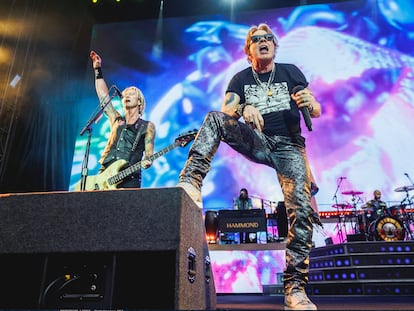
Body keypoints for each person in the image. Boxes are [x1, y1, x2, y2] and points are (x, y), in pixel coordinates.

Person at [177, 23, 321, 310]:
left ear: (274, 46)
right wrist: (244, 109)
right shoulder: (241, 78)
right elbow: (226, 111)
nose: (263, 41)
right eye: (256, 39)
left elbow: (313, 109)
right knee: (215, 119)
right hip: (258, 139)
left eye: (268, 38)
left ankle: (294, 289)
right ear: (249, 50)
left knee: (302, 212)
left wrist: (312, 102)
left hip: (290, 146)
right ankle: (191, 181)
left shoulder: (291, 71)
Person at [89, 50, 155, 189]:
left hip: (129, 176)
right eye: (125, 94)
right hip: (105, 172)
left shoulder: (147, 126)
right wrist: (97, 69)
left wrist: (148, 161)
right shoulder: (116, 119)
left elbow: (149, 154)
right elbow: (103, 97)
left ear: (139, 102)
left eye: (132, 94)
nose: (127, 96)